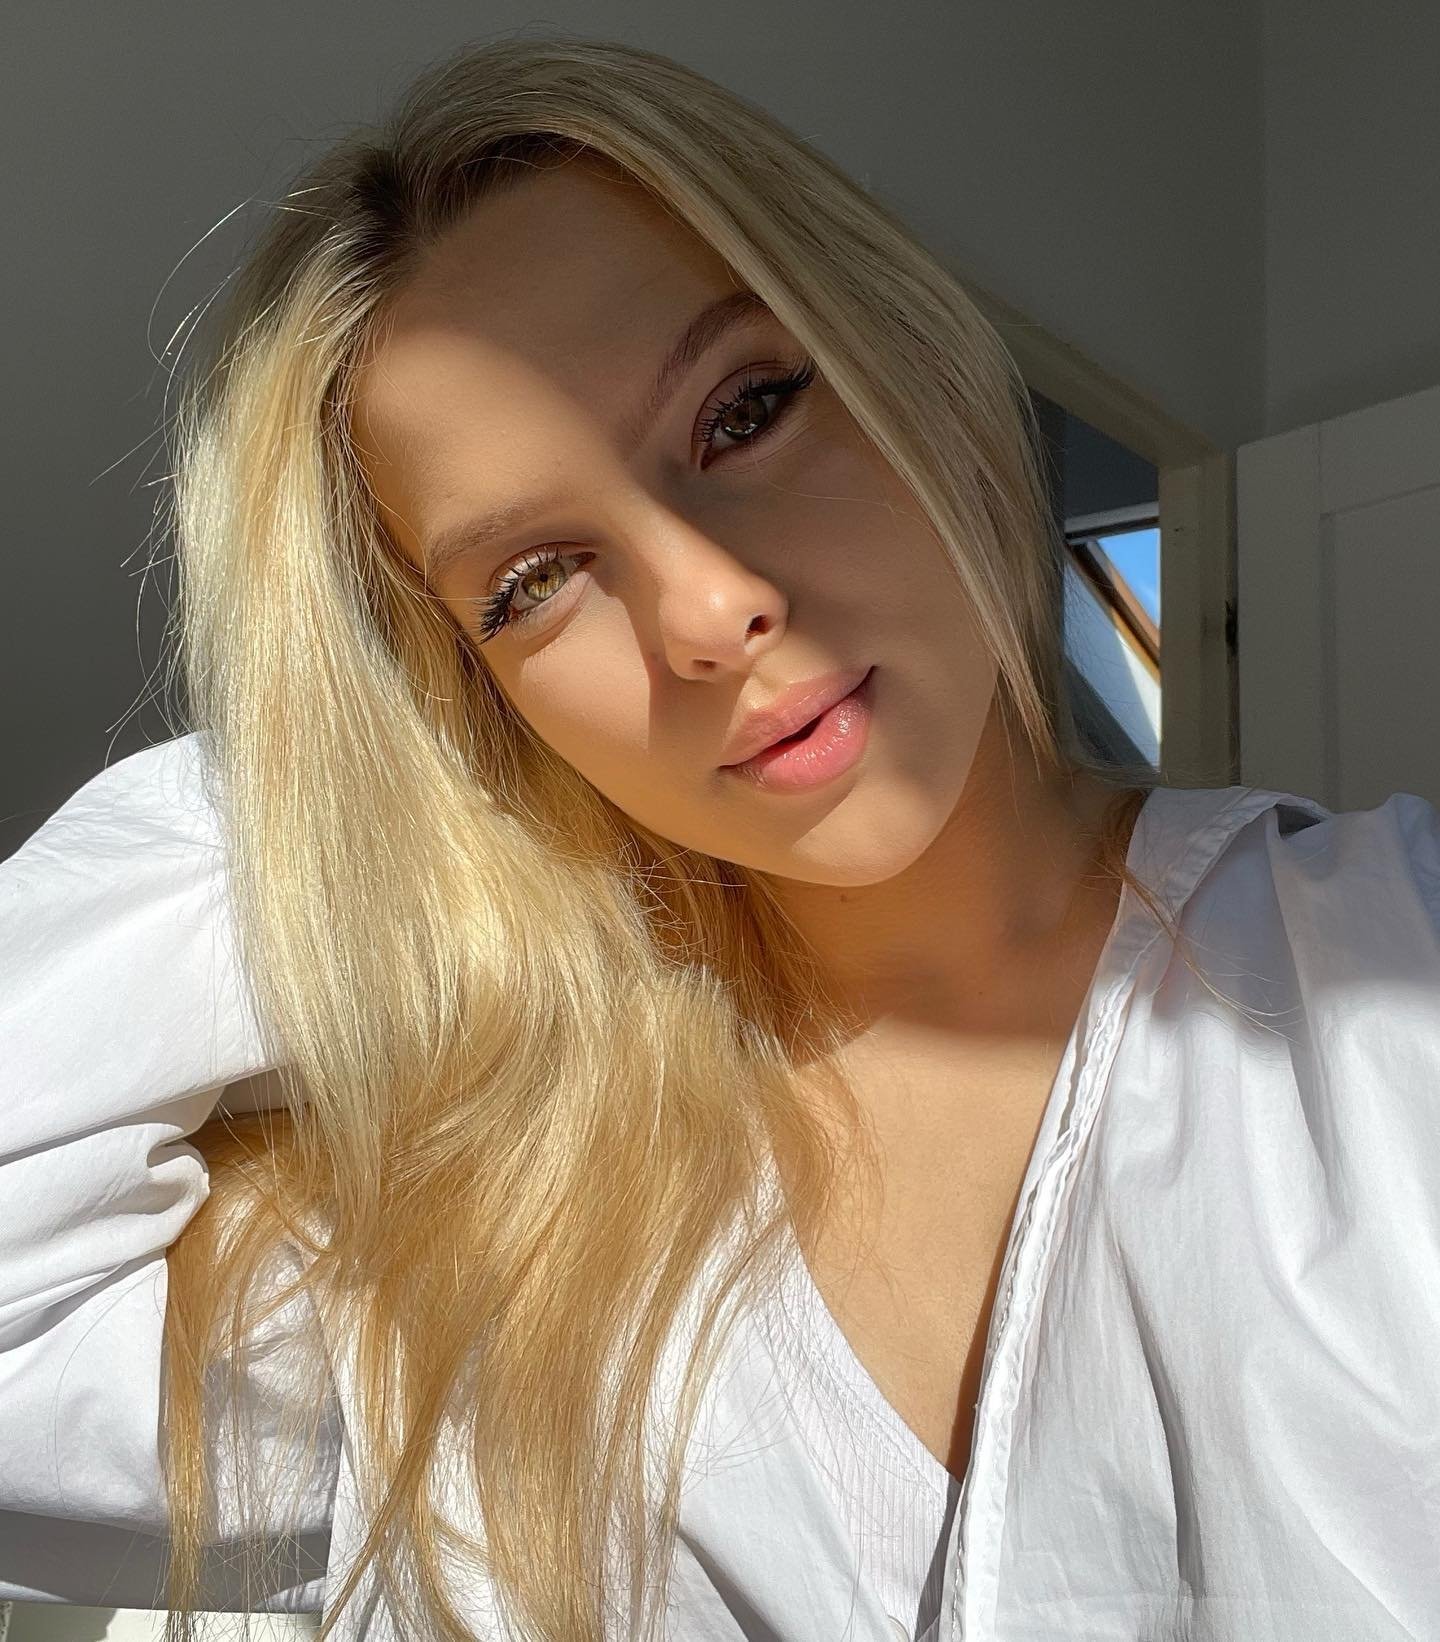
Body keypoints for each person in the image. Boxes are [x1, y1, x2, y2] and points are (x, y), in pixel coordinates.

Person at [2, 31, 1438, 1642]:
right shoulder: (467, 1230)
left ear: (910, 356)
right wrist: (373, 781)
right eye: (535, 581)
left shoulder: (1396, 968)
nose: (708, 609)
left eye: (745, 409)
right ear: (474, 695)